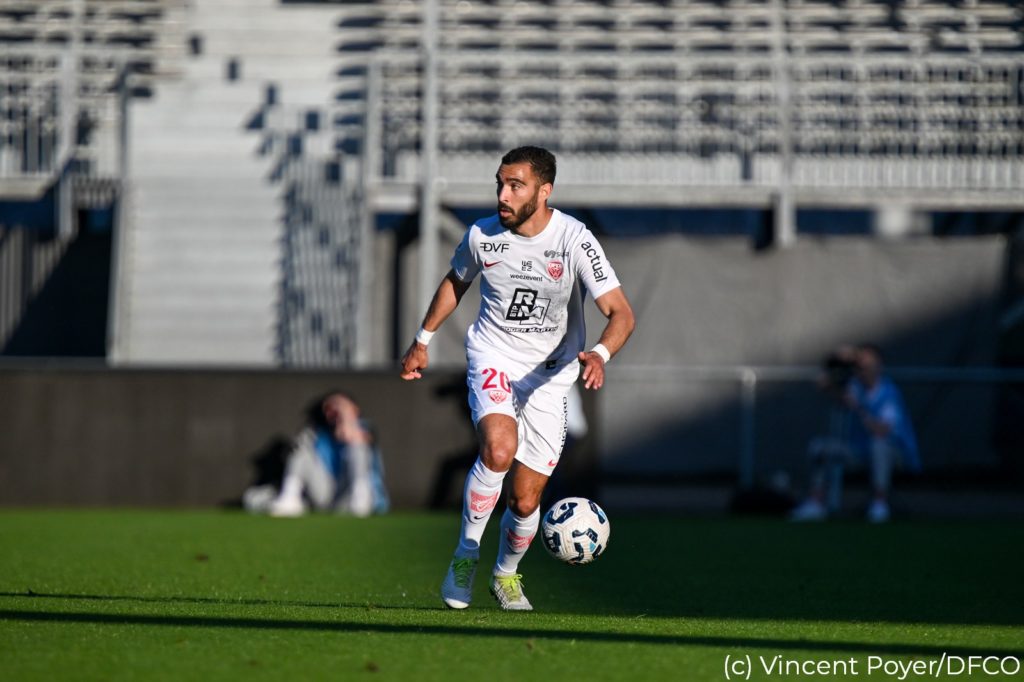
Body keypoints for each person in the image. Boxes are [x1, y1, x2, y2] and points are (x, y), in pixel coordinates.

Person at [400, 146, 636, 611]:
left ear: (544, 191)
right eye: (500, 184)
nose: (502, 196)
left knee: (525, 502)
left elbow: (621, 313)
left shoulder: (575, 239)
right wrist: (422, 339)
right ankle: (466, 556)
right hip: (495, 357)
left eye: (515, 186)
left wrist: (600, 353)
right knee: (498, 450)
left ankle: (505, 575)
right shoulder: (482, 236)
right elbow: (456, 280)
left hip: (551, 377)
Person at [790, 344, 920, 523]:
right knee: (819, 447)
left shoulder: (889, 393)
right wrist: (836, 362)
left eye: (867, 365)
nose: (863, 370)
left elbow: (882, 431)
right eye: (859, 365)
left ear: (878, 367)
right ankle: (816, 503)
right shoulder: (856, 387)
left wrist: (859, 408)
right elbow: (832, 387)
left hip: (894, 454)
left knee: (878, 445)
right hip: (859, 451)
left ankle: (879, 504)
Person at [243, 391, 390, 518]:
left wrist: (346, 418)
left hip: (352, 497)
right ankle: (290, 498)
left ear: (354, 409)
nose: (334, 411)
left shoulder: (365, 427)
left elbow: (357, 438)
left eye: (340, 406)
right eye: (330, 408)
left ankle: (360, 499)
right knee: (301, 451)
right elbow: (299, 452)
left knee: (357, 448)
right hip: (324, 496)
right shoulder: (315, 433)